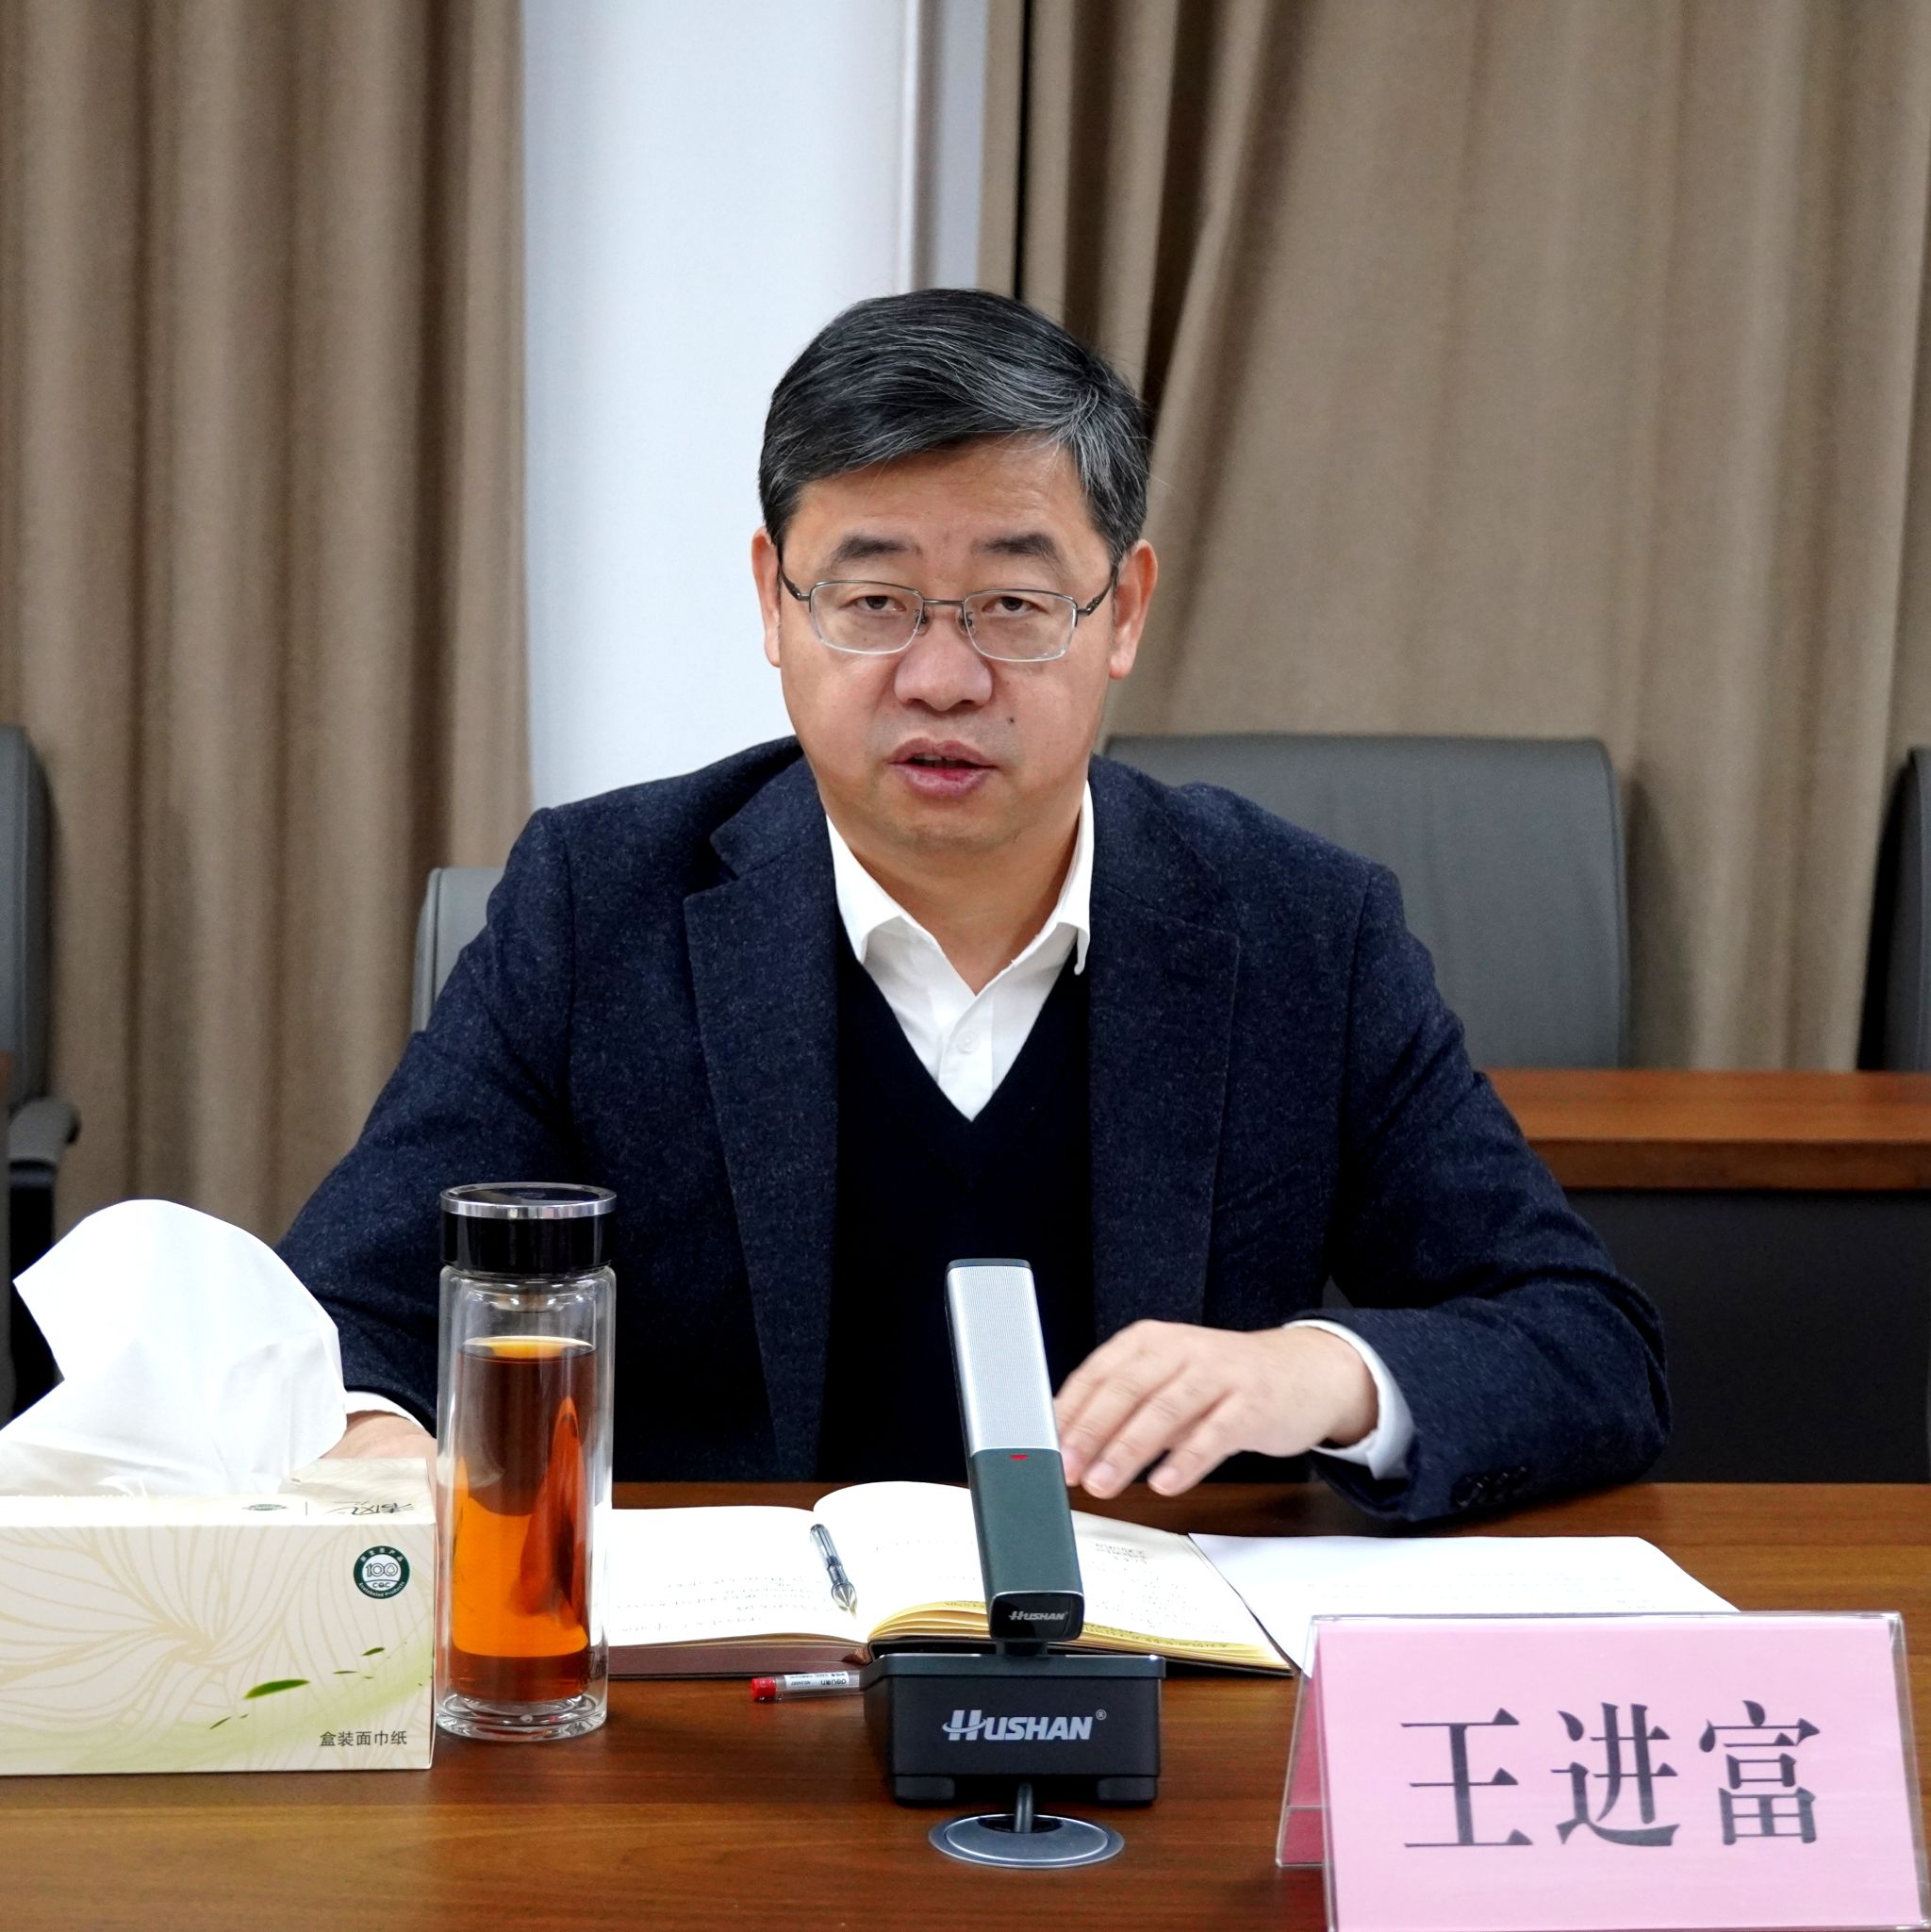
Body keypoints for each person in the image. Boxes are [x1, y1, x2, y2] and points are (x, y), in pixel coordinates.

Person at [281, 289, 1666, 1522]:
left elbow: (1588, 1342)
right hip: (725, 1685)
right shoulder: (600, 905)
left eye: (1012, 603)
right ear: (773, 601)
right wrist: (378, 1439)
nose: (942, 679)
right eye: (874, 600)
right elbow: (347, 1312)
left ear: (1124, 609)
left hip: (1162, 1684)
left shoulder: (1301, 929)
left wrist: (1323, 1374)